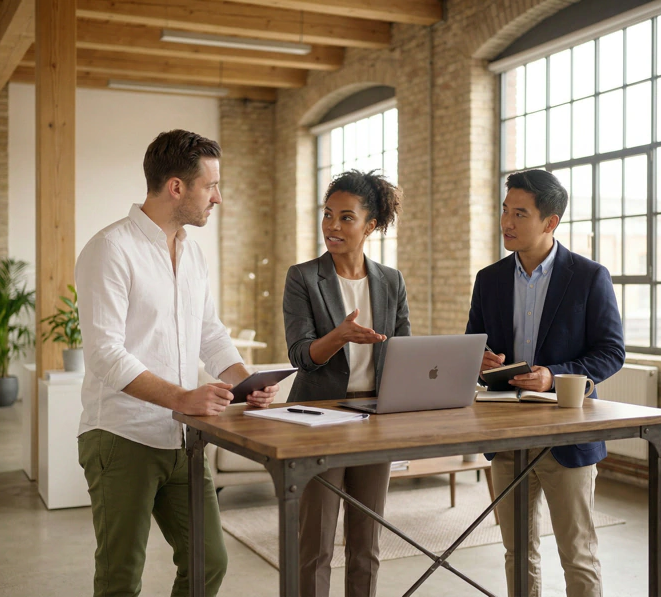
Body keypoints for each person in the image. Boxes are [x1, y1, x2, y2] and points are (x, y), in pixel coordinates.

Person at [75, 129, 278, 597]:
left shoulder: (192, 253)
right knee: (120, 577)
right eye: (211, 186)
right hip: (121, 437)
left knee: (209, 562)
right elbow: (105, 354)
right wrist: (182, 397)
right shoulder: (110, 250)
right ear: (176, 187)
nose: (218, 198)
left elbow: (210, 333)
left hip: (183, 440)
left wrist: (246, 382)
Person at [465, 169, 625, 597]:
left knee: (578, 553)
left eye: (520, 213)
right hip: (506, 434)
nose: (507, 223)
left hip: (567, 436)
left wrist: (552, 376)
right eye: (504, 210)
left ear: (550, 222)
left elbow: (611, 353)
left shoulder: (590, 277)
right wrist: (480, 361)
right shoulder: (489, 279)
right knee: (516, 551)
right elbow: (471, 348)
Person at [283, 169, 410, 597]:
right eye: (327, 215)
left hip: (375, 417)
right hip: (320, 416)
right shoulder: (303, 277)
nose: (332, 227)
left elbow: (403, 353)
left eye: (346, 218)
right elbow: (301, 355)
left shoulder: (391, 281)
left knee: (366, 543)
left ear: (370, 225)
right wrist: (339, 336)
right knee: (315, 545)